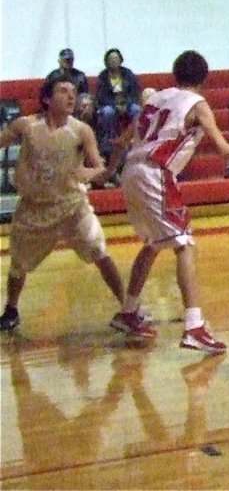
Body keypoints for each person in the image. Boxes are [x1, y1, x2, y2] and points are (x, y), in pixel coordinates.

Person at [109, 50, 229, 353]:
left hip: (131, 172)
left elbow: (124, 138)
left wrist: (108, 169)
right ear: (204, 78)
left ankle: (128, 311)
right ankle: (194, 326)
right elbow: (223, 148)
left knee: (152, 243)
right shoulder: (196, 103)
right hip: (155, 173)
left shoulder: (155, 98)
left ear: (176, 73)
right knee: (184, 243)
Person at [0, 75, 129, 334]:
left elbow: (100, 168)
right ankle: (11, 310)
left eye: (74, 92)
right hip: (34, 207)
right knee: (18, 264)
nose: (71, 96)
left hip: (72, 206)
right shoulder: (26, 125)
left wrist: (90, 173)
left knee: (99, 252)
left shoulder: (81, 130)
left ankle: (129, 307)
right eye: (63, 91)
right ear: (47, 98)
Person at [94, 48, 142, 159]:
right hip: (110, 105)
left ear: (120, 60)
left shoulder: (128, 74)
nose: (113, 61)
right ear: (106, 61)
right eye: (111, 59)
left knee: (137, 110)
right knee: (107, 112)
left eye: (116, 58)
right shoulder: (103, 76)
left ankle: (137, 139)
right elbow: (101, 96)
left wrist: (126, 104)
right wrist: (116, 106)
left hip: (127, 104)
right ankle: (108, 143)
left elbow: (135, 92)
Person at [46, 48, 93, 122]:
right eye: (66, 60)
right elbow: (48, 95)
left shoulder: (80, 75)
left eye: (70, 60)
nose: (68, 62)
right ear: (59, 61)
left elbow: (85, 93)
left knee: (86, 105)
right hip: (59, 103)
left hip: (76, 104)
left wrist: (86, 103)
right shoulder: (53, 76)